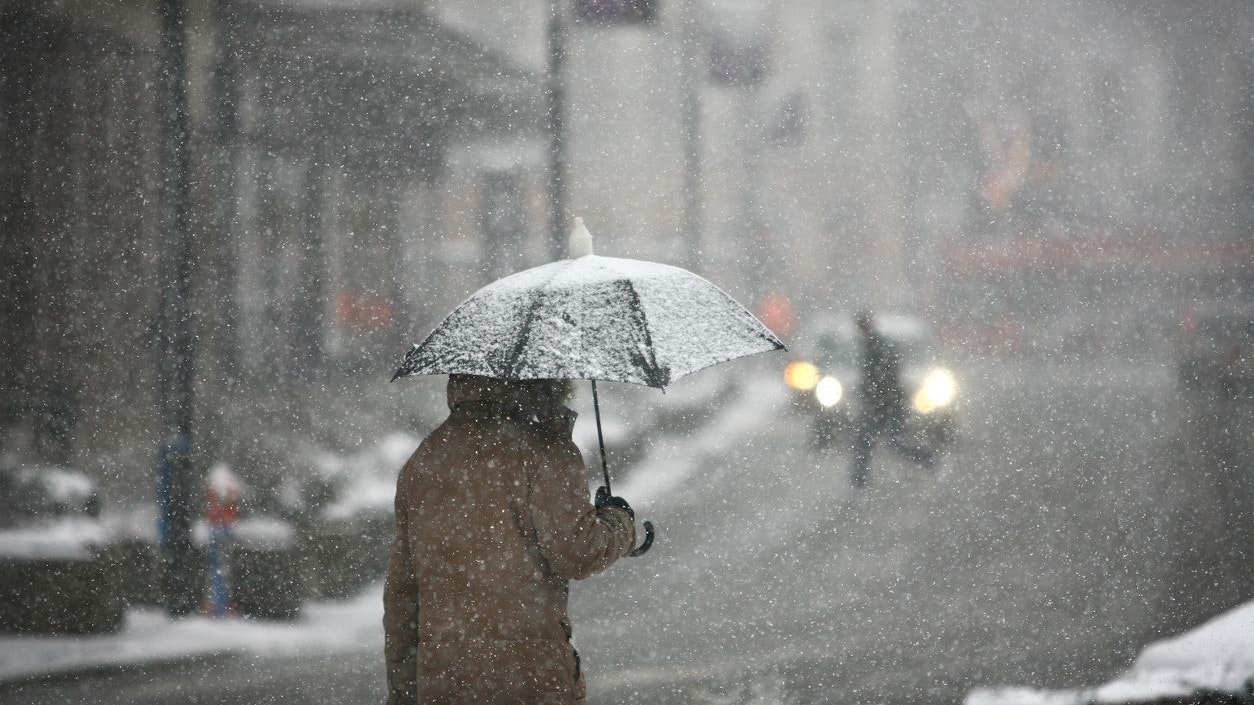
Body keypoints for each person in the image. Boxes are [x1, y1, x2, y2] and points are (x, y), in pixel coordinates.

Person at [383, 374, 637, 705]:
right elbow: (578, 552)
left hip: (444, 680)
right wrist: (619, 522)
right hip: (530, 677)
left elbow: (403, 595)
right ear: (546, 377)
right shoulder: (546, 451)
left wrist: (403, 692)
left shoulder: (425, 459)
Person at [849, 311, 935, 489]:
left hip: (887, 406)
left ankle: (929, 459)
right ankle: (858, 483)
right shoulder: (871, 346)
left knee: (891, 444)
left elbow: (886, 378)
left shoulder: (877, 347)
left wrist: (876, 394)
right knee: (866, 443)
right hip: (881, 405)